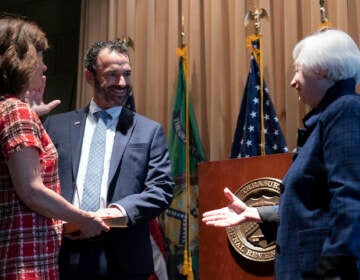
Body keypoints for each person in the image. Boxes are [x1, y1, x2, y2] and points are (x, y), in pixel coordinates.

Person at [202, 28, 360, 279]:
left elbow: (350, 198)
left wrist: (332, 269)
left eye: (298, 70)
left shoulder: (345, 110)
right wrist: (255, 213)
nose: (293, 81)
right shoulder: (328, 116)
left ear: (320, 70)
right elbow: (315, 205)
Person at [43, 38, 174, 279]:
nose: (122, 82)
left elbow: (161, 189)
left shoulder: (148, 130)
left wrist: (115, 213)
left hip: (123, 258)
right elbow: (38, 185)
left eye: (127, 74)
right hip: (63, 252)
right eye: (112, 74)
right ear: (89, 76)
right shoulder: (56, 126)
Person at [0, 17, 109, 280]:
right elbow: (31, 191)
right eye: (38, 56)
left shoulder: (8, 108)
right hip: (25, 260)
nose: (44, 66)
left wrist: (32, 117)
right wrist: (83, 218)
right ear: (21, 61)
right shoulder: (16, 111)